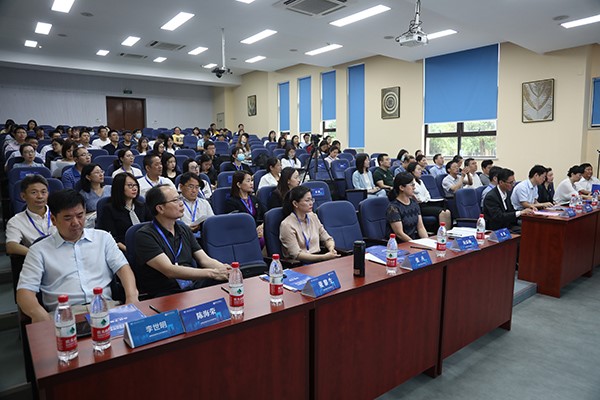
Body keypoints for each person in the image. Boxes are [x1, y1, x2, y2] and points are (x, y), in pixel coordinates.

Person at [16, 189, 139, 322]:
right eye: (68, 218)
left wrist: (131, 298)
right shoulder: (39, 250)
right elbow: (25, 293)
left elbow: (123, 269)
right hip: (64, 315)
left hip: (106, 308)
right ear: (54, 219)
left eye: (80, 215)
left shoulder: (103, 238)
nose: (76, 222)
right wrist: (43, 318)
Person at [135, 184, 230, 298]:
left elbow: (204, 260)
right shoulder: (144, 235)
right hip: (165, 294)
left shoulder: (183, 228)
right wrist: (212, 273)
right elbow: (169, 270)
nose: (181, 203)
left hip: (192, 288)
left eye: (179, 198)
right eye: (175, 200)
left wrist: (225, 269)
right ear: (160, 208)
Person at [279, 186, 338, 263]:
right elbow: (296, 254)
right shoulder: (287, 225)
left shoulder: (313, 216)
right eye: (307, 200)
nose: (311, 203)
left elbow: (327, 239)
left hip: (319, 260)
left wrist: (331, 249)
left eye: (311, 200)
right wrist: (323, 257)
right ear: (295, 203)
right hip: (300, 264)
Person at [97, 172, 150, 252]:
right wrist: (130, 251)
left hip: (146, 246)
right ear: (120, 188)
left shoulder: (142, 206)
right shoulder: (109, 209)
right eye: (130, 185)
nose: (134, 188)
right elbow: (111, 237)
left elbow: (152, 227)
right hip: (123, 249)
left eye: (135, 185)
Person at [6, 175, 57, 256]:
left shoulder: (60, 214)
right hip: (38, 261)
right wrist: (37, 255)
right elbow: (11, 246)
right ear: (23, 196)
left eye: (43, 192)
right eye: (34, 192)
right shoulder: (16, 221)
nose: (40, 196)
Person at [483, 168, 534, 232]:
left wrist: (525, 213)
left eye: (513, 182)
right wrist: (520, 213)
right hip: (497, 228)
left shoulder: (507, 193)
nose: (513, 185)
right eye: (510, 183)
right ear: (501, 182)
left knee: (531, 227)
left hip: (508, 225)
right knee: (527, 231)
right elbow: (499, 217)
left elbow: (510, 211)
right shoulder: (491, 197)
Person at [406, 161, 451, 229]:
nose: (421, 171)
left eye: (421, 169)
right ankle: (443, 234)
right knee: (443, 212)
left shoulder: (420, 181)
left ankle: (446, 233)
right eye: (418, 169)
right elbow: (418, 199)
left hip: (427, 203)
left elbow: (427, 194)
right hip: (419, 207)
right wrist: (423, 199)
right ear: (412, 171)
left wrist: (424, 199)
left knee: (447, 211)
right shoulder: (410, 183)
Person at [386, 172, 429, 242]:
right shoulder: (393, 208)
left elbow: (420, 227)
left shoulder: (414, 203)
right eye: (412, 185)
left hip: (412, 242)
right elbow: (399, 234)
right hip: (399, 245)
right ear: (401, 187)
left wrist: (427, 241)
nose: (414, 188)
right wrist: (414, 243)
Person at [225, 171, 265, 244]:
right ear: (239, 184)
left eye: (252, 180)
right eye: (248, 181)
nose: (251, 183)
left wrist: (262, 226)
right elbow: (235, 224)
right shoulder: (231, 202)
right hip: (243, 233)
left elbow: (265, 215)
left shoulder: (254, 199)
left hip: (258, 231)